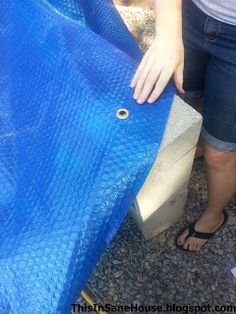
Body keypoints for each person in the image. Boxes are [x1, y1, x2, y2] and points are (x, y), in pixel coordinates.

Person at [130, 0, 236, 251]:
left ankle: (214, 216)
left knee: (220, 153)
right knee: (184, 106)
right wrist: (167, 34)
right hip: (191, 14)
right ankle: (198, 143)